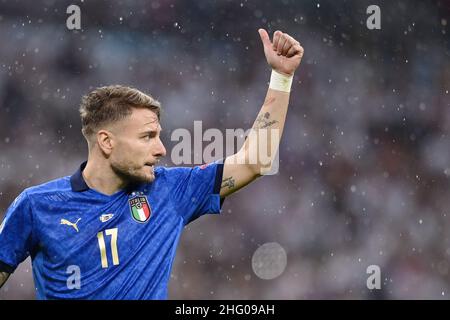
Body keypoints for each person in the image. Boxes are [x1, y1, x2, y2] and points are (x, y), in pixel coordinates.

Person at [0, 29, 304, 299]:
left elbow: (255, 161)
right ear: (107, 142)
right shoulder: (37, 206)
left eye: (159, 136)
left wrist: (282, 77)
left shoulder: (168, 190)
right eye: (147, 137)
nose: (161, 149)